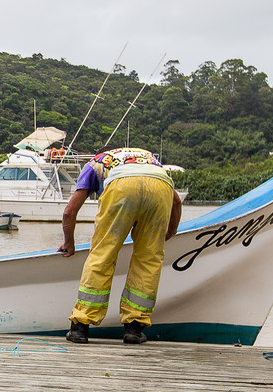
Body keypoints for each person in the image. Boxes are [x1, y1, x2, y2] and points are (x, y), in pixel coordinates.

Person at [58, 146, 183, 345]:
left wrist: (69, 243)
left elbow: (69, 212)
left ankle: (80, 327)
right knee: (148, 259)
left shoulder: (95, 163)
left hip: (121, 186)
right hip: (160, 187)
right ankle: (134, 328)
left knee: (103, 255)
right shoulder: (146, 158)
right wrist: (172, 231)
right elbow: (176, 202)